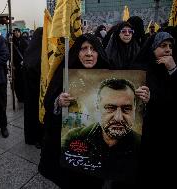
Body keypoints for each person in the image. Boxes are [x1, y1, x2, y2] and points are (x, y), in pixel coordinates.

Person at [38, 33, 110, 188]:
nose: (89, 53)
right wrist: (59, 101)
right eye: (84, 49)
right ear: (77, 52)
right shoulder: (65, 74)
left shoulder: (110, 74)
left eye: (93, 49)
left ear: (99, 52)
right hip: (71, 148)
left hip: (98, 149)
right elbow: (49, 103)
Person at [61, 78, 141, 188]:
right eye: (110, 108)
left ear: (134, 109)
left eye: (126, 109)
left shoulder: (140, 145)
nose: (118, 118)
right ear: (98, 107)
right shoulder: (73, 138)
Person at [133, 31, 177, 188]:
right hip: (147, 135)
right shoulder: (140, 69)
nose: (168, 50)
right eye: (162, 46)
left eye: (170, 46)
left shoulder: (172, 69)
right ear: (152, 49)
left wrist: (173, 70)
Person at [12, 27, 29, 103]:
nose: (17, 33)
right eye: (15, 32)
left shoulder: (24, 41)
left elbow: (28, 52)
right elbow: (11, 54)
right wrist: (12, 64)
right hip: (16, 66)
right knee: (17, 82)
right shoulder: (12, 42)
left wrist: (25, 60)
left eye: (18, 32)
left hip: (24, 65)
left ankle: (25, 96)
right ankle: (19, 97)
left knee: (24, 81)